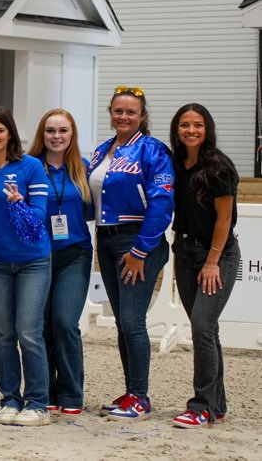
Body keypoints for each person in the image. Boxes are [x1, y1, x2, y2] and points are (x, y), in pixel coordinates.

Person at [90, 85, 173, 422]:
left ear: (142, 116)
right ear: (110, 113)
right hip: (106, 239)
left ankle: (140, 396)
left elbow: (162, 202)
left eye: (130, 112)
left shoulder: (152, 150)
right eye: (118, 111)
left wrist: (141, 249)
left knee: (132, 320)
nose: (123, 117)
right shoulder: (101, 151)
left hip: (135, 241)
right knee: (123, 322)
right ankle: (130, 391)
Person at [0, 107, 53, 427]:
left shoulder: (31, 167)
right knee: (2, 334)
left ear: (10, 134)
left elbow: (40, 216)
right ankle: (11, 399)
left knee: (28, 332)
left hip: (33, 260)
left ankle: (38, 403)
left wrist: (20, 204)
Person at [167, 103, 239, 429]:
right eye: (185, 125)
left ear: (206, 128)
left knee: (201, 326)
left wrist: (212, 262)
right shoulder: (174, 164)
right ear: (177, 129)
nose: (191, 130)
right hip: (183, 254)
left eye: (197, 125)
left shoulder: (219, 168)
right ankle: (217, 404)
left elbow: (224, 220)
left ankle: (200, 406)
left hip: (217, 255)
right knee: (207, 330)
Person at [28, 108, 93, 418]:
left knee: (65, 322)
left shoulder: (83, 169)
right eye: (50, 131)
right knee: (41, 325)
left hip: (74, 255)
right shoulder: (30, 168)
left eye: (63, 131)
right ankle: (47, 390)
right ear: (42, 134)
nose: (56, 136)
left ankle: (70, 391)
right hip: (38, 255)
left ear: (72, 135)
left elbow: (91, 211)